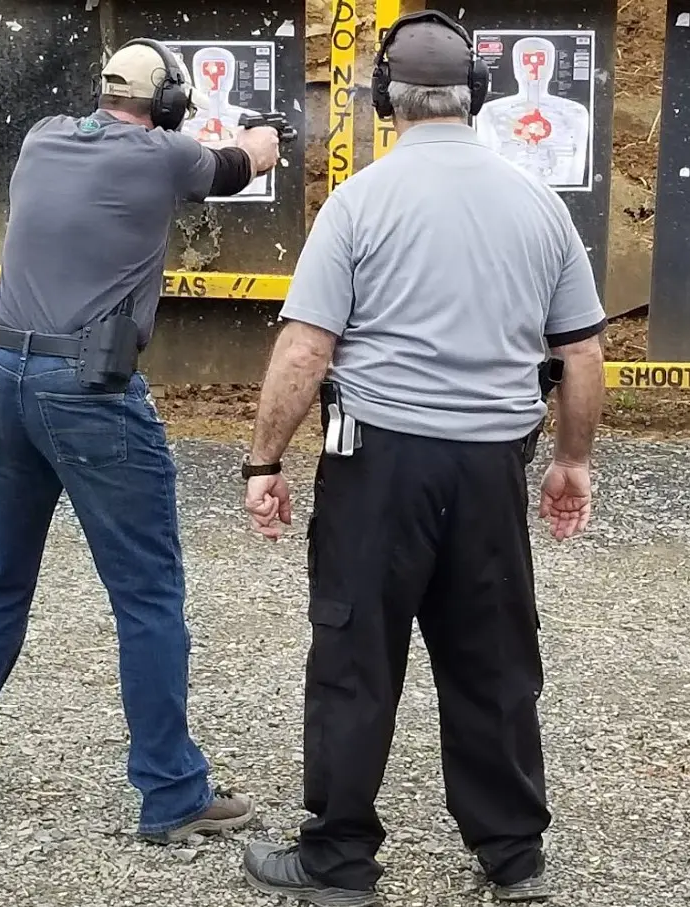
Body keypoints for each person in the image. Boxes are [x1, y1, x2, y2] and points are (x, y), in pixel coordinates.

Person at [241, 11, 605, 906]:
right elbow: (583, 351)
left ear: (383, 98)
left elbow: (304, 350)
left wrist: (264, 460)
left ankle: (338, 862)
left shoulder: (360, 201)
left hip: (379, 467)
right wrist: (572, 461)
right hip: (491, 468)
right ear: (476, 96)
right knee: (491, 659)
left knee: (355, 659)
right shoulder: (537, 204)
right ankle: (511, 853)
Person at [0, 37, 279, 844]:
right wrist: (269, 132)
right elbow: (235, 164)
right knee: (147, 592)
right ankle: (172, 790)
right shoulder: (162, 157)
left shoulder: (44, 135)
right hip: (89, 392)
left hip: (3, 374)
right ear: (169, 105)